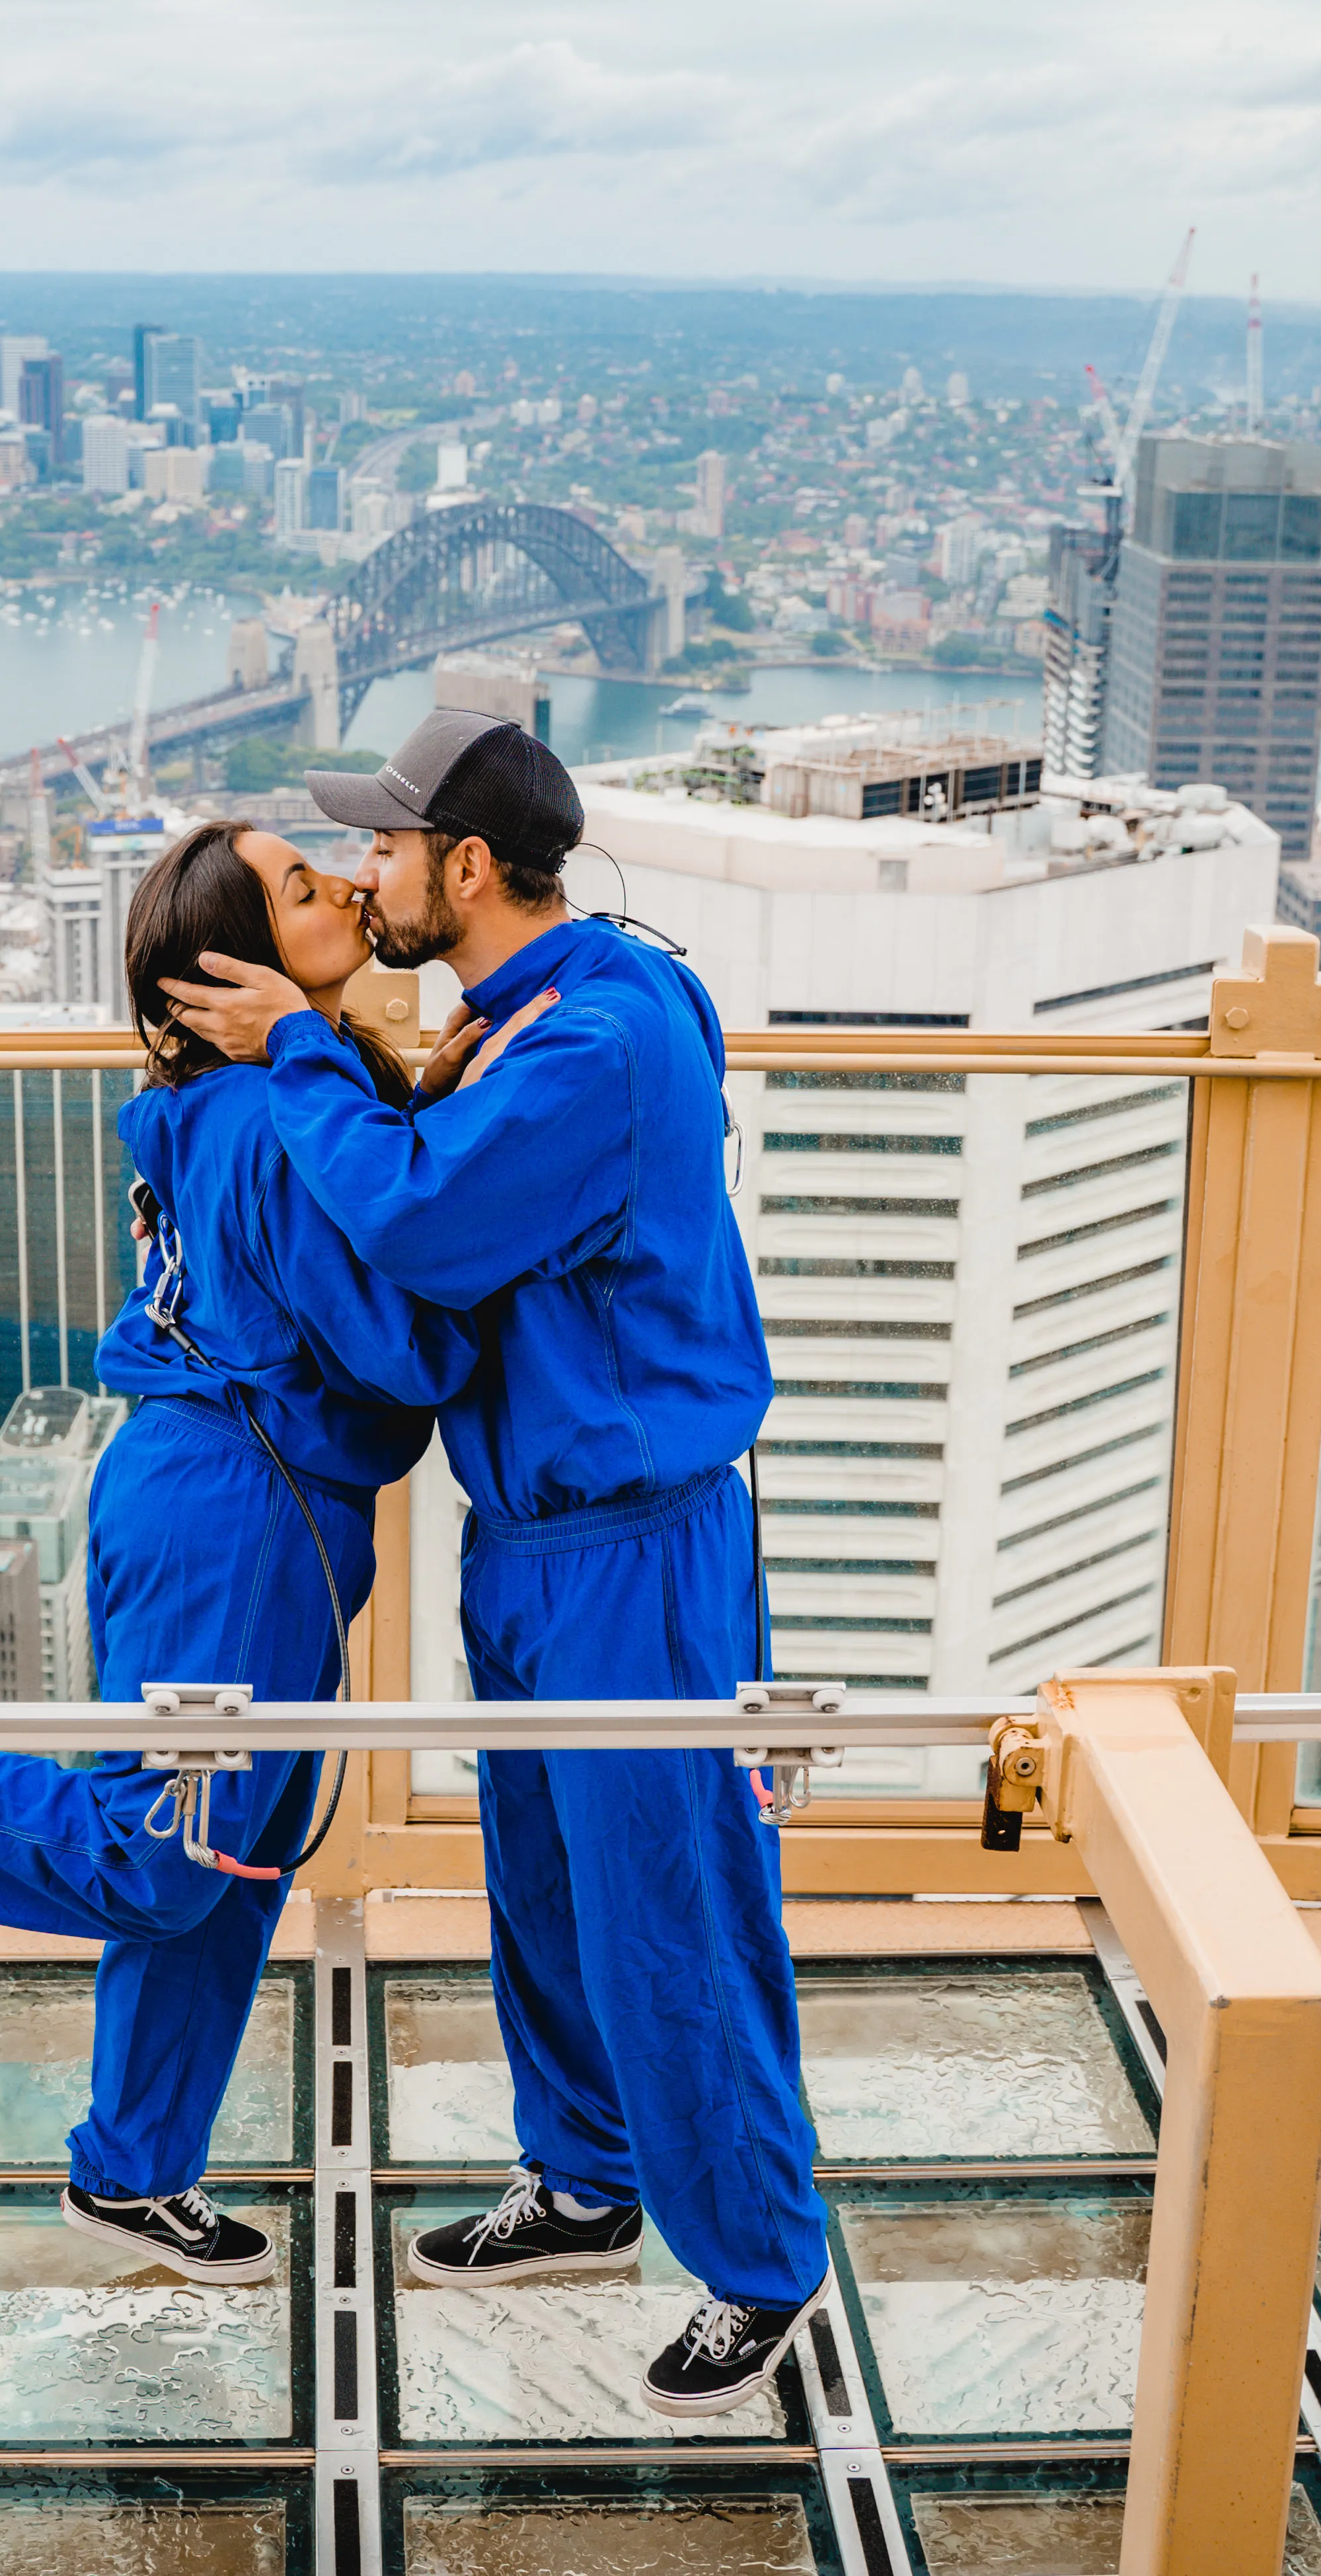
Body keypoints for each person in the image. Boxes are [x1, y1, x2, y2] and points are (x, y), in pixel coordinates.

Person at [159, 707, 827, 2418]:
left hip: (630, 1551)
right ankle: (589, 2179)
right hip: (535, 1534)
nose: (366, 873)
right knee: (545, 1880)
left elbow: (425, 1222)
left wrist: (307, 1040)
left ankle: (756, 2262)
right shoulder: (553, 1008)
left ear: (463, 862)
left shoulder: (585, 1043)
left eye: (380, 845)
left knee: (669, 1897)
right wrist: (413, 1049)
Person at [0, 820, 476, 2284]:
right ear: (232, 964)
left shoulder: (249, 1099)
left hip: (241, 1504)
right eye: (304, 889)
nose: (349, 889)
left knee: (229, 1859)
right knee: (162, 1851)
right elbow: (400, 1350)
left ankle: (133, 2167)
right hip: (229, 1516)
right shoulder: (260, 1122)